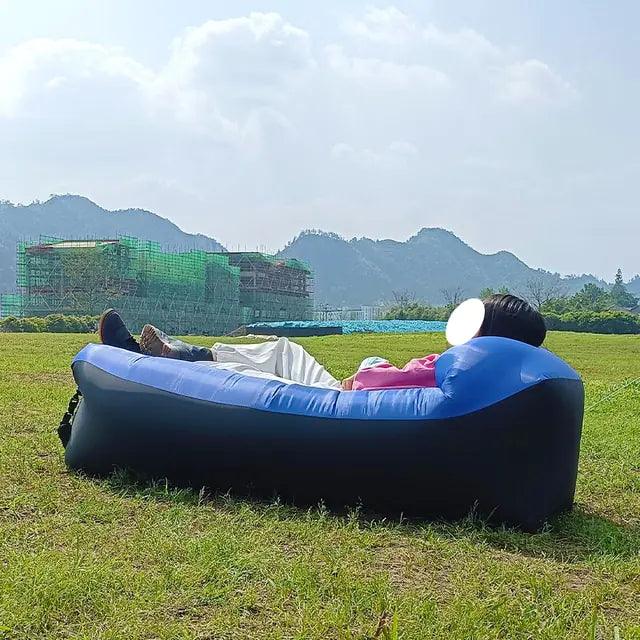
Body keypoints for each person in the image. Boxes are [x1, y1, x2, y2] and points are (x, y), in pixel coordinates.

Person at [98, 294, 546, 391]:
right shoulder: (485, 367)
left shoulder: (462, 366)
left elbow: (389, 384)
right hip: (352, 391)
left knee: (246, 377)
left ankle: (150, 359)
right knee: (282, 349)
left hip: (343, 399)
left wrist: (363, 376)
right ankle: (182, 351)